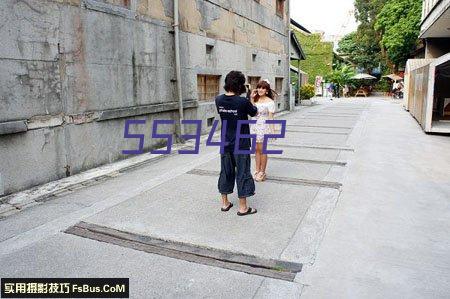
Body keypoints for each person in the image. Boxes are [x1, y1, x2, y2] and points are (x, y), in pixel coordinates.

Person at [215, 71, 258, 216]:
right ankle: (243, 207)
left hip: (225, 141)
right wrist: (250, 98)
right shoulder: (243, 102)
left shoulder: (218, 100)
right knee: (243, 171)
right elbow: (254, 112)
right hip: (241, 142)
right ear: (240, 85)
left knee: (226, 171)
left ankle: (225, 203)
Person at [249, 80, 276, 182]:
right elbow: (253, 111)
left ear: (267, 90)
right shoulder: (256, 99)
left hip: (264, 127)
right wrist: (251, 98)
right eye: (259, 87)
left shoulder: (270, 102)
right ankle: (257, 170)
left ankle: (262, 172)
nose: (260, 89)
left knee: (262, 150)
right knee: (256, 149)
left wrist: (272, 131)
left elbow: (270, 118)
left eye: (263, 88)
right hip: (255, 126)